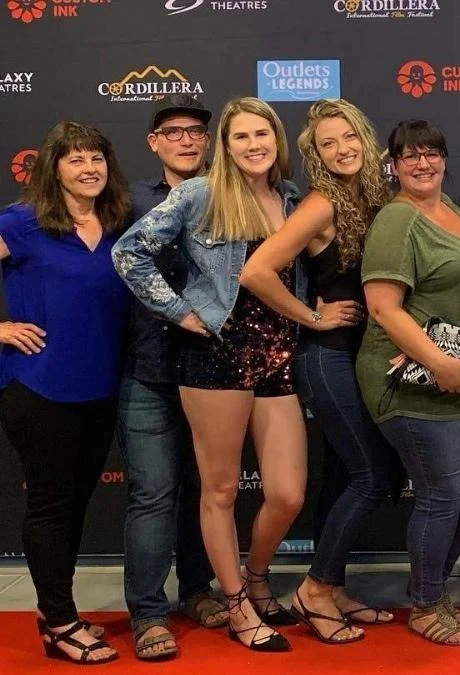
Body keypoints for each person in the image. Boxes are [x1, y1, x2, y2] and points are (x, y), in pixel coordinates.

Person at [113, 96, 305, 653]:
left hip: (276, 357)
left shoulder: (289, 197)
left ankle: (257, 579)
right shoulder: (200, 192)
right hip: (216, 352)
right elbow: (130, 254)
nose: (253, 145)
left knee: (288, 493)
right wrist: (179, 311)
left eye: (262, 134)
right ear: (225, 145)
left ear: (277, 140)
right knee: (219, 490)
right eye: (240, 136)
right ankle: (238, 608)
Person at [240, 98, 395, 644]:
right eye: (327, 144)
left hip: (367, 356)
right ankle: (315, 589)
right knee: (371, 476)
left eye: (348, 137)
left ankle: (334, 588)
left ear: (364, 138)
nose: (341, 149)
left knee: (341, 479)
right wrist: (312, 315)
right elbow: (256, 271)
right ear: (315, 155)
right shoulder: (321, 204)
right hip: (325, 357)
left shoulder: (376, 196)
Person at [357, 119, 460, 646]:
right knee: (442, 494)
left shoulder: (453, 210)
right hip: (413, 377)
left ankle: (434, 582)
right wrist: (437, 361)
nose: (423, 163)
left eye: (432, 153)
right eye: (410, 155)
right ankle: (424, 601)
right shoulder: (398, 220)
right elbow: (382, 307)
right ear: (392, 164)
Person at [0, 121, 132, 664]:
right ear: (52, 167)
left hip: (101, 387)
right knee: (52, 505)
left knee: (76, 503)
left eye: (97, 157)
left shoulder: (120, 222)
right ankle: (58, 622)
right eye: (75, 159)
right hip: (38, 385)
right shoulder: (22, 222)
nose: (89, 168)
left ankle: (58, 612)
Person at [118, 93, 229, 661]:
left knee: (205, 491)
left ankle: (196, 592)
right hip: (149, 370)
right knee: (154, 493)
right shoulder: (128, 201)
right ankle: (147, 611)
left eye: (196, 132)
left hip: (213, 372)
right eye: (174, 131)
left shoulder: (227, 195)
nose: (187, 140)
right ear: (153, 141)